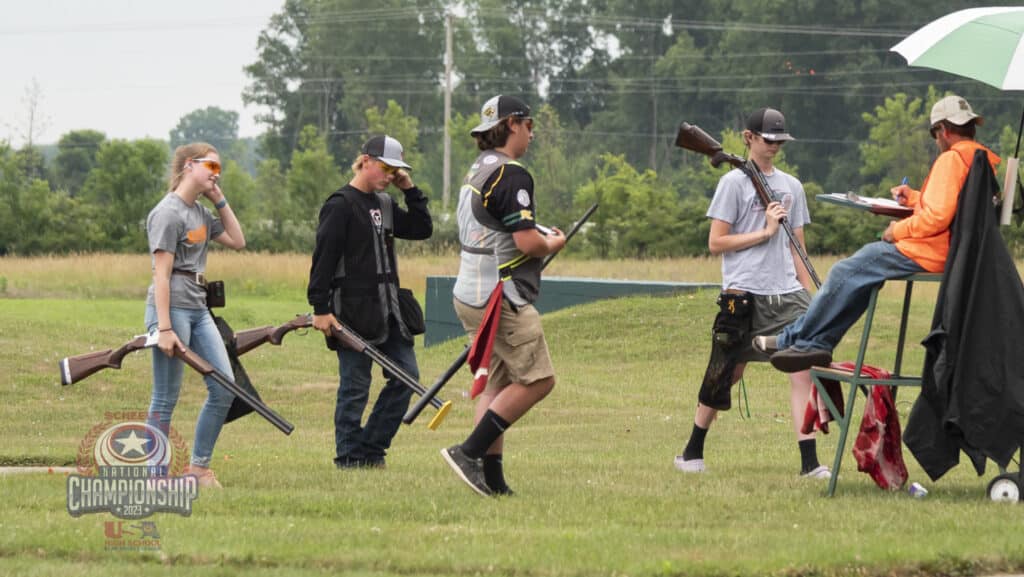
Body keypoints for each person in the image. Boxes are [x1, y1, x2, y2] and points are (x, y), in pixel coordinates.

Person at [762, 95, 1000, 373]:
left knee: (845, 271)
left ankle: (795, 340)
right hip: (954, 251)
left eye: (935, 134)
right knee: (861, 277)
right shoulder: (977, 158)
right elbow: (953, 205)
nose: (937, 140)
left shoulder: (950, 159)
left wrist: (896, 231)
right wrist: (912, 198)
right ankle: (815, 343)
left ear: (944, 130)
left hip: (930, 252)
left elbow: (937, 217)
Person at [675, 107, 830, 479]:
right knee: (726, 373)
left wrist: (808, 297)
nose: (775, 146)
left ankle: (809, 462)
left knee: (803, 372)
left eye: (780, 140)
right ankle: (692, 451)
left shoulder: (792, 186)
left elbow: (798, 248)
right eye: (768, 139)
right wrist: (764, 232)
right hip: (743, 295)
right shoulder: (732, 183)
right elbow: (716, 242)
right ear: (748, 138)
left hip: (787, 293)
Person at [441, 95, 566, 497]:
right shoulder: (512, 175)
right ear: (513, 124)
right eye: (529, 126)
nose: (531, 134)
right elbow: (528, 243)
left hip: (469, 291)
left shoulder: (479, 169)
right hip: (501, 296)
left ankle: (491, 479)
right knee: (539, 380)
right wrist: (553, 244)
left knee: (497, 384)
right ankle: (468, 452)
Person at [308, 135, 432, 469]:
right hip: (351, 313)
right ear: (365, 161)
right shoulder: (339, 205)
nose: (390, 175)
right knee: (355, 388)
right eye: (387, 168)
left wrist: (409, 188)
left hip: (390, 311)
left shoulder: (387, 203)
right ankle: (349, 456)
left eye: (396, 170)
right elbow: (323, 261)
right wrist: (320, 309)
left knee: (407, 377)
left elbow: (423, 228)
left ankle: (371, 449)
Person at [145, 143, 245, 489]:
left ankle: (198, 469)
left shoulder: (201, 213)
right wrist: (165, 328)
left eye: (219, 168)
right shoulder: (168, 213)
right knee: (165, 396)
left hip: (199, 309)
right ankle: (154, 477)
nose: (216, 173)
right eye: (211, 166)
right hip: (171, 308)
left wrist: (219, 199)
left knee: (225, 387)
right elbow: (161, 275)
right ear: (190, 165)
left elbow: (237, 240)